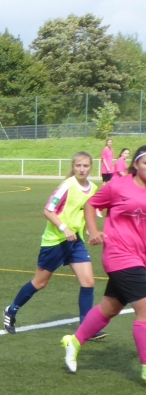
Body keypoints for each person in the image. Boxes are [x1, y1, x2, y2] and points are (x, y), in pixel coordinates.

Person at [61, 145, 146, 382]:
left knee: (110, 308)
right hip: (120, 255)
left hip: (141, 257)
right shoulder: (119, 185)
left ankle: (74, 341)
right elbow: (91, 204)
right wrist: (93, 230)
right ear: (136, 164)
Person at [3, 153, 98, 334]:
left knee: (88, 282)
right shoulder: (67, 185)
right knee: (40, 283)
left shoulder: (93, 188)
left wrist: (89, 230)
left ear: (91, 167)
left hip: (75, 241)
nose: (82, 169)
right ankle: (11, 310)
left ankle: (86, 328)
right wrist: (64, 228)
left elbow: (87, 211)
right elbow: (48, 210)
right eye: (78, 165)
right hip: (55, 241)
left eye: (85, 166)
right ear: (73, 166)